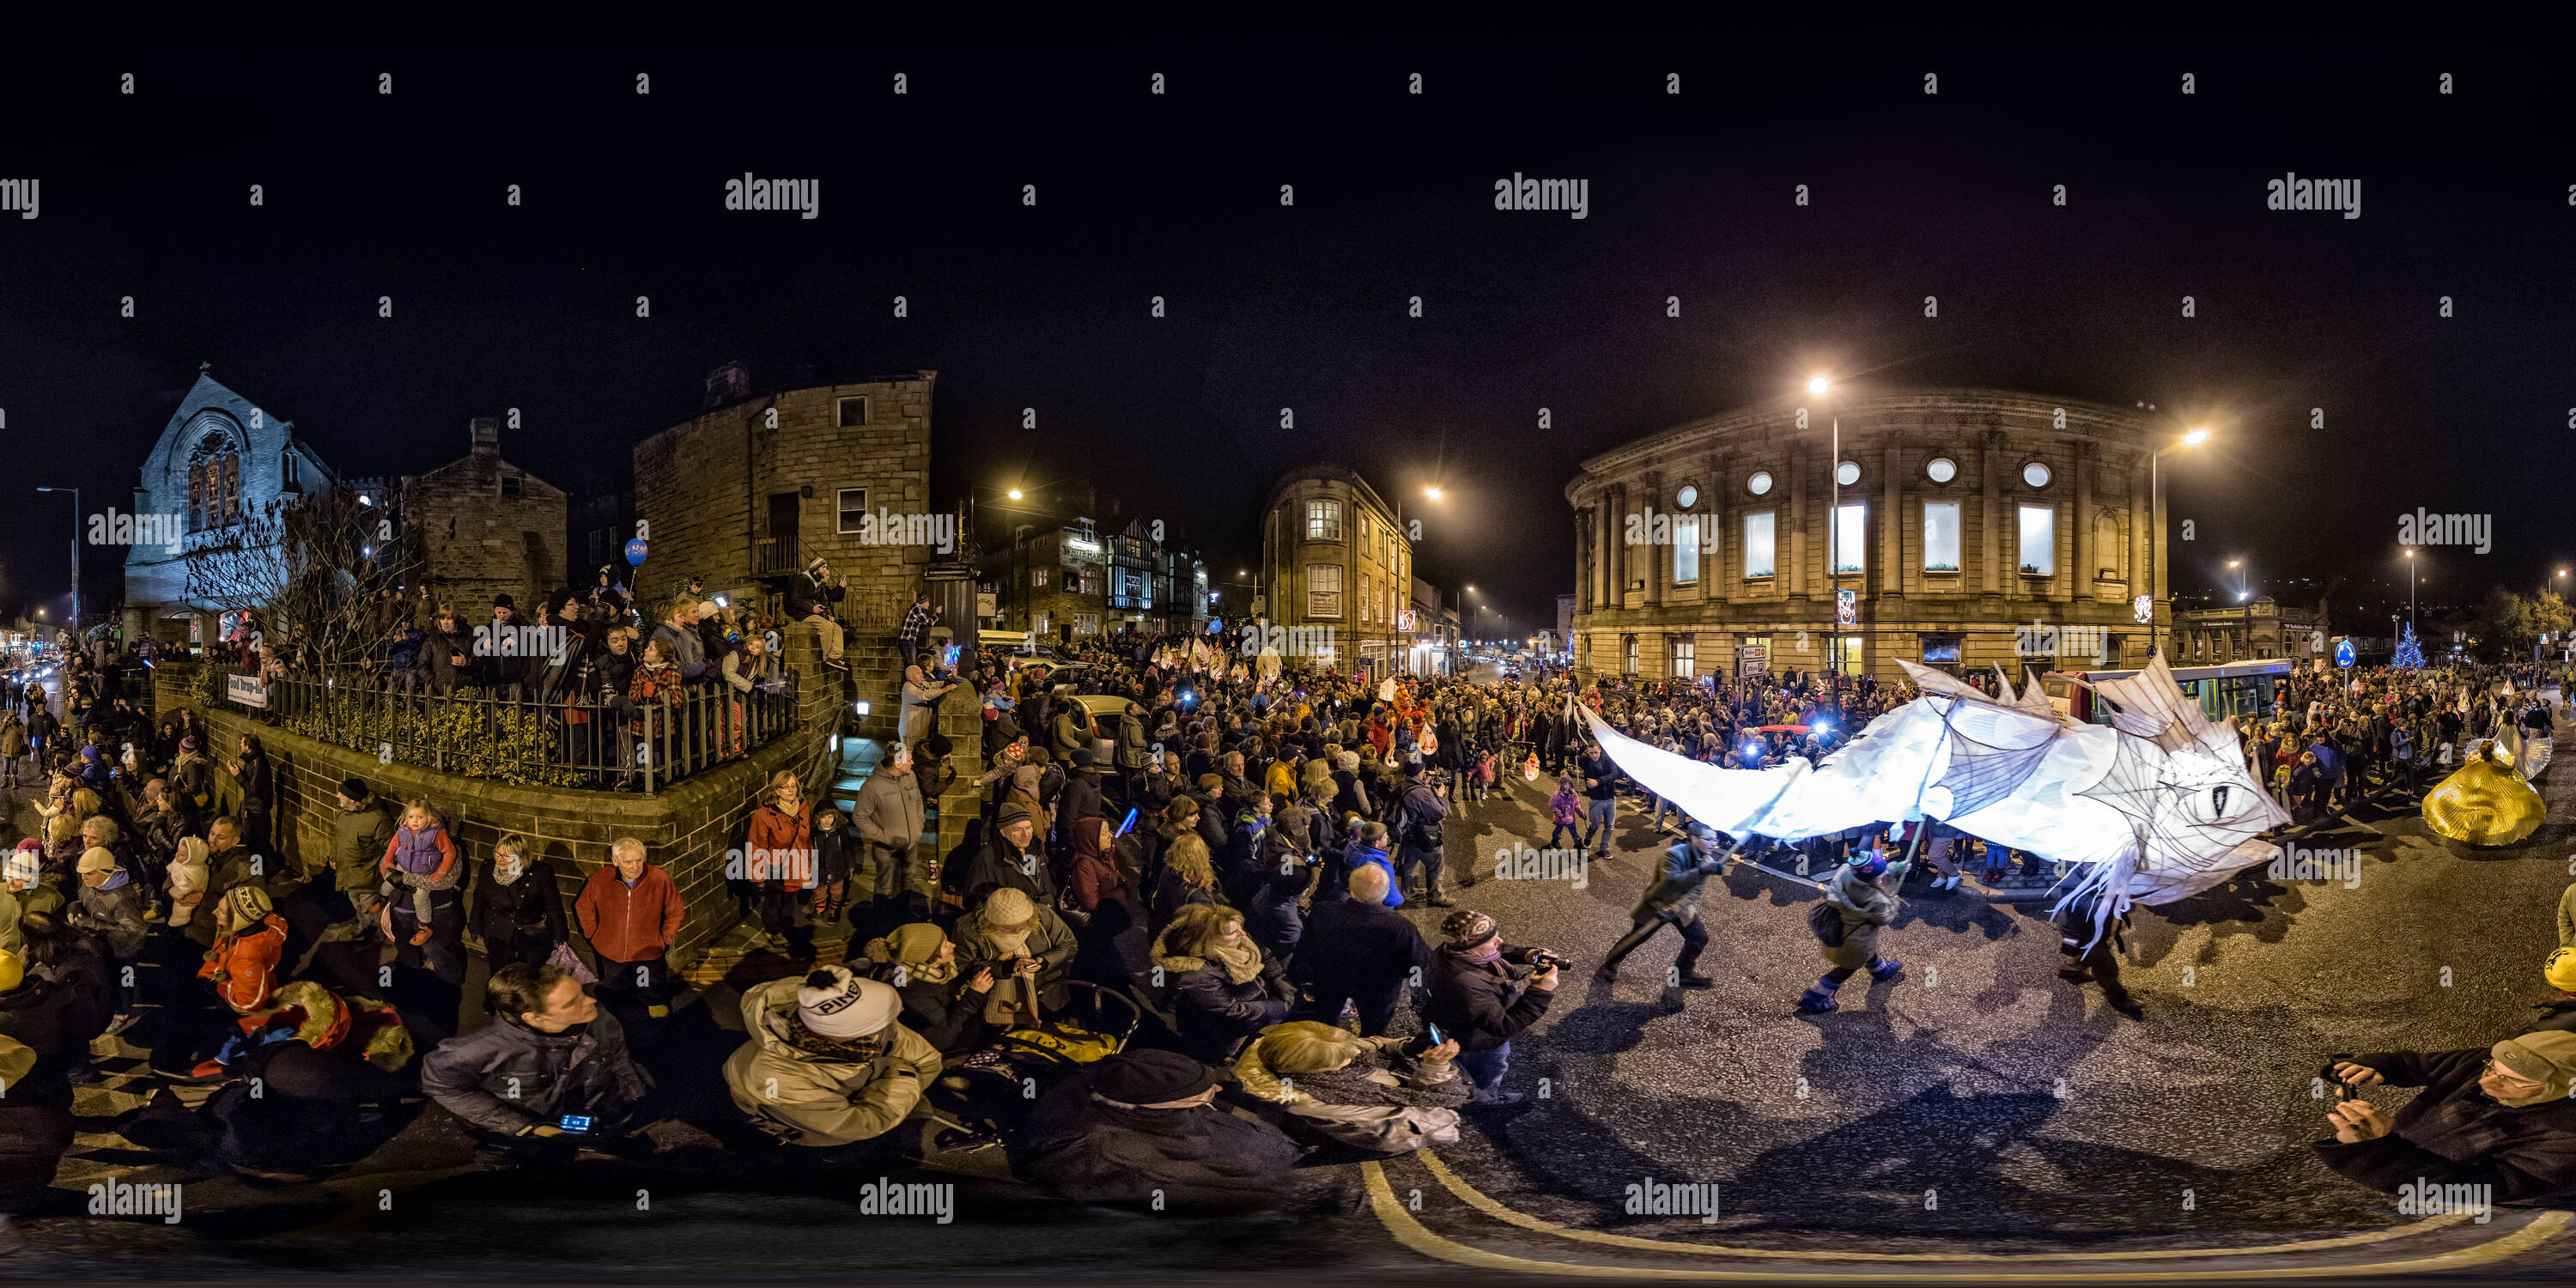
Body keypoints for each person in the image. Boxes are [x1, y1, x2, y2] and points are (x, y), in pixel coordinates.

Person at [1012, 1048, 1307, 1212]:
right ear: (1158, 1103)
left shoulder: (1112, 1079)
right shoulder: (1097, 1146)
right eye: (1204, 1094)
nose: (1216, 1090)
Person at [423, 963, 653, 1168]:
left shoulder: (598, 1017)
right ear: (533, 1018)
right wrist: (524, 1127)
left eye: (580, 992)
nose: (591, 1000)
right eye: (573, 1002)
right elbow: (443, 1086)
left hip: (588, 1125)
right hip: (515, 1143)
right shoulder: (477, 1050)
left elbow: (618, 1055)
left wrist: (637, 1096)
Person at [2315, 1031, 2576, 1206]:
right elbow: (2422, 1065)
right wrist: (2381, 1068)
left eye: (2512, 1081)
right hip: (2402, 1157)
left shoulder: (2567, 1144)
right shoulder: (2494, 1063)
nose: (2486, 1081)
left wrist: (2376, 1150)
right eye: (2492, 1068)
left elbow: (2469, 1190)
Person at [725, 965, 939, 1160]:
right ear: (848, 1033)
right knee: (835, 1159)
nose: (901, 1011)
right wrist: (903, 1077)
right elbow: (859, 1125)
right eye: (881, 1017)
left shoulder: (868, 1029)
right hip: (810, 1133)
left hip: (837, 1106)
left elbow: (928, 1060)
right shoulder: (773, 1079)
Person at [1233, 1020, 1468, 1153]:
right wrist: (1434, 1070)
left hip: (1391, 1087)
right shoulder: (1308, 1101)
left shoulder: (1298, 1044)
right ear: (1313, 1069)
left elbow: (1369, 1046)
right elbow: (1398, 1132)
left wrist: (1406, 1047)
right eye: (1342, 1059)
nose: (1356, 1054)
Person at [1422, 909, 1559, 1107]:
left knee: (1469, 1066)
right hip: (1478, 1040)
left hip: (1450, 1023)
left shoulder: (1452, 949)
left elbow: (1496, 951)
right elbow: (1503, 1026)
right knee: (1490, 1068)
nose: (1500, 941)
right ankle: (1484, 1099)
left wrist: (1527, 955)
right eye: (1492, 939)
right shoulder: (1464, 985)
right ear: (1470, 947)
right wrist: (1540, 992)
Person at [1151, 903, 1292, 1064]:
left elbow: (1265, 955)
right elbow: (1231, 1010)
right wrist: (1277, 1007)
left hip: (1248, 1018)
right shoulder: (1197, 974)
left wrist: (1279, 981)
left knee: (1231, 1046)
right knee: (1209, 1054)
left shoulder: (1238, 940)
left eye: (1240, 927)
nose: (1243, 934)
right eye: (1234, 932)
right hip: (1216, 1029)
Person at [1297, 864, 1425, 1037]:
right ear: (1386, 892)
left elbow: (1307, 946)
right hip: (1377, 989)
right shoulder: (1400, 928)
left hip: (1331, 979)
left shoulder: (1323, 911)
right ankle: (1368, 1049)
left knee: (1325, 1016)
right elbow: (1417, 964)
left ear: (1351, 888)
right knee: (1374, 1025)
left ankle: (1324, 1043)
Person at [1596, 820, 1728, 988]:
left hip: (1680, 907)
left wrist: (1677, 907)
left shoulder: (1706, 859)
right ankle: (1611, 962)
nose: (1713, 845)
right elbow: (1669, 882)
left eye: (1715, 841)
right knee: (1638, 937)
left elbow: (1695, 891)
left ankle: (1682, 974)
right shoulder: (1673, 854)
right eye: (1709, 840)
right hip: (1657, 903)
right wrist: (1700, 871)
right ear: (1694, 838)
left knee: (1698, 938)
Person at [854, 922, 1007, 1059]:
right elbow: (945, 1032)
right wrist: (974, 994)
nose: (953, 945)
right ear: (927, 957)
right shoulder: (913, 993)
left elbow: (960, 974)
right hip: (935, 1045)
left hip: (943, 1021)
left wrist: (1008, 967)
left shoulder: (913, 967)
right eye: (945, 945)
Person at [575, 837, 686, 1020]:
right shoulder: (601, 878)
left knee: (648, 981)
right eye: (628, 862)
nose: (635, 866)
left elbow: (675, 911)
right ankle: (619, 1008)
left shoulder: (658, 878)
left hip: (646, 948)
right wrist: (593, 934)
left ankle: (652, 1002)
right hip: (610, 947)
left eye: (639, 860)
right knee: (614, 982)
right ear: (615, 861)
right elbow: (584, 906)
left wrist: (665, 939)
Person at [1798, 852, 1905, 1014]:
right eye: (1881, 873)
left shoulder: (1847, 870)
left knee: (1865, 950)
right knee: (1849, 966)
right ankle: (1815, 996)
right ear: (1872, 880)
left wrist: (1896, 867)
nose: (1885, 874)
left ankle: (1881, 970)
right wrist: (1893, 900)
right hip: (1854, 941)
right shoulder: (1873, 898)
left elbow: (1873, 871)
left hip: (1836, 928)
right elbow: (1884, 919)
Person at [956, 888, 1076, 1029]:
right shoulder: (968, 928)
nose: (1018, 932)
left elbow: (1069, 945)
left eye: (1023, 925)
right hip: (997, 1000)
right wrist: (1006, 967)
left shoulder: (1044, 915)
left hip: (1047, 995)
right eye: (1009, 928)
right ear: (990, 922)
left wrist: (1044, 961)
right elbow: (964, 965)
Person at [850, 741, 928, 939]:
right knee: (886, 886)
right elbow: (859, 817)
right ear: (898, 763)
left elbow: (918, 801)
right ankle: (883, 922)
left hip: (910, 844)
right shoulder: (872, 787)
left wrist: (919, 824)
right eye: (909, 759)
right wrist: (883, 837)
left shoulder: (910, 776)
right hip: (887, 849)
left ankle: (903, 916)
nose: (912, 762)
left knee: (907, 881)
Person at [468, 835, 568, 972]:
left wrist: (560, 935)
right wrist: (475, 926)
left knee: (529, 977)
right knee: (501, 975)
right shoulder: (488, 867)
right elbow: (479, 898)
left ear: (521, 857)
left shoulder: (541, 873)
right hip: (499, 932)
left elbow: (553, 906)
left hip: (531, 933)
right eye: (498, 853)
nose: (500, 859)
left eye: (507, 856)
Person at [744, 771, 816, 956]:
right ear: (776, 790)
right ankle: (772, 931)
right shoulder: (764, 815)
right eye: (786, 787)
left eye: (794, 786)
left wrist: (810, 864)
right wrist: (758, 874)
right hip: (776, 867)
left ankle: (786, 927)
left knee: (790, 903)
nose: (791, 790)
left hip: (797, 865)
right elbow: (756, 845)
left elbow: (806, 840)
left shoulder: (803, 808)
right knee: (773, 903)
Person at [379, 799, 463, 947]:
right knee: (387, 884)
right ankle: (381, 899)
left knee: (421, 900)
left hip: (431, 898)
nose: (415, 821)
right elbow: (392, 849)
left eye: (421, 817)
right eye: (411, 817)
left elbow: (446, 879)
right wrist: (387, 864)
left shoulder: (441, 837)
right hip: (401, 903)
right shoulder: (405, 830)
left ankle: (425, 926)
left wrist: (406, 879)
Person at [198, 884, 289, 1014]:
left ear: (238, 920)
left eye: (222, 911)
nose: (214, 912)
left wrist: (218, 987)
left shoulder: (247, 958)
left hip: (224, 991)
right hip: (226, 972)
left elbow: (249, 1003)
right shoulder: (254, 923)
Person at [786, 557, 849, 671]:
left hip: (815, 614)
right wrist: (811, 608)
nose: (826, 570)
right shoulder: (801, 580)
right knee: (826, 626)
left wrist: (828, 614)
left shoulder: (818, 584)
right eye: (824, 567)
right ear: (816, 569)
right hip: (803, 614)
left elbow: (824, 602)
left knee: (837, 627)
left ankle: (834, 657)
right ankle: (826, 659)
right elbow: (794, 599)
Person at [1578, 742, 1620, 860]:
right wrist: (1574, 748)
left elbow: (1614, 774)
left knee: (1609, 826)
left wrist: (1598, 782)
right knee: (1595, 824)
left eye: (1596, 752)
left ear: (1600, 750)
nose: (1594, 755)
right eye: (1591, 753)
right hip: (1596, 800)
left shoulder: (1607, 758)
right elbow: (1574, 759)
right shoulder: (1586, 760)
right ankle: (1588, 838)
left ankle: (1604, 848)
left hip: (1610, 798)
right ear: (1588, 752)